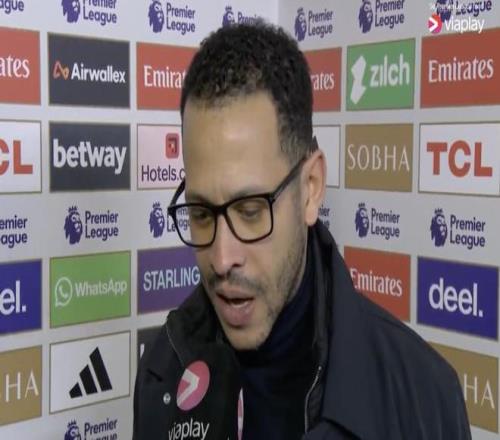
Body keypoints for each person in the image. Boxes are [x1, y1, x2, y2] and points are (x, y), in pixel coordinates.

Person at [133, 22, 471, 440]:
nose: (221, 259)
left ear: (310, 189)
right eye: (202, 213)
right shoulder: (165, 369)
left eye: (250, 211)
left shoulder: (421, 397)